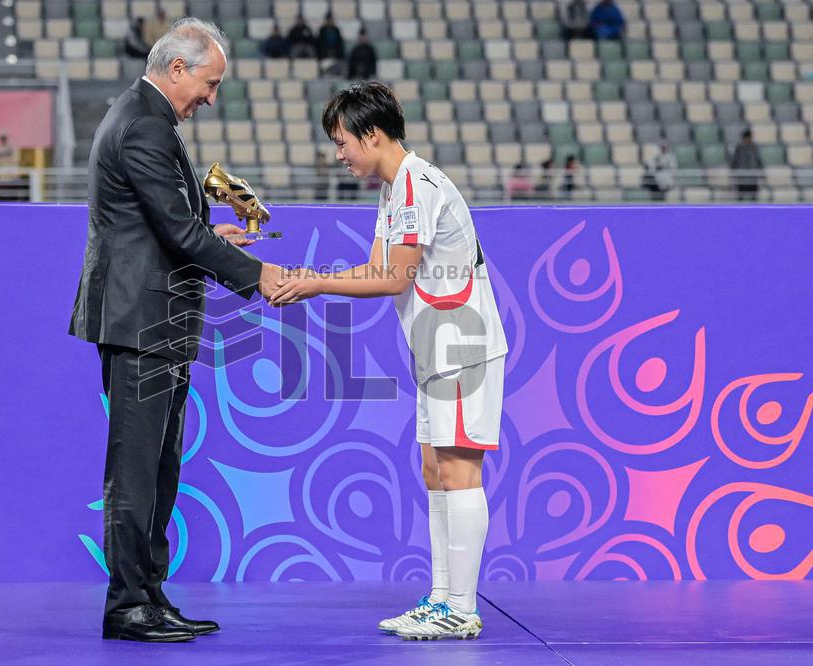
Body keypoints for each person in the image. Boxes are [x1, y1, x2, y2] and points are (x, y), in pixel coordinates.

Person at [69, 18, 284, 644]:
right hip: (142, 321)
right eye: (210, 83)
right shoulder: (143, 125)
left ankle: (148, 594)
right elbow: (177, 233)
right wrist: (259, 274)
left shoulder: (148, 119)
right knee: (136, 469)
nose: (212, 98)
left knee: (160, 467)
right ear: (179, 68)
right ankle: (128, 604)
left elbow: (165, 229)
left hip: (154, 319)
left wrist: (215, 238)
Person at [270, 82, 508, 641]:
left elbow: (392, 279)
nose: (340, 155)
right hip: (434, 350)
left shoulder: (418, 186)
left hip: (461, 346)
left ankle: (461, 608)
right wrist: (313, 279)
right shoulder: (393, 190)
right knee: (434, 472)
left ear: (371, 134)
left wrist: (316, 285)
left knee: (458, 471)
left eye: (342, 141)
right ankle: (442, 598)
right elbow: (373, 267)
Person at [730, 129, 763, 201]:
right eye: (748, 138)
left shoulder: (755, 147)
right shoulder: (739, 148)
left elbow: (758, 160)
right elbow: (734, 161)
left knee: (753, 197)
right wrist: (734, 172)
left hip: (752, 176)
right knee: (740, 197)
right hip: (742, 176)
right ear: (744, 138)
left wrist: (760, 171)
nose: (749, 139)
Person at [0, 132, 21, 198]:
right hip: (2, 178)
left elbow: (16, 160)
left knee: (14, 197)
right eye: (2, 138)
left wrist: (1, 160)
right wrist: (9, 159)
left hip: (13, 177)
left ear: (7, 138)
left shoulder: (13, 147)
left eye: (4, 138)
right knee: (3, 197)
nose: (3, 140)